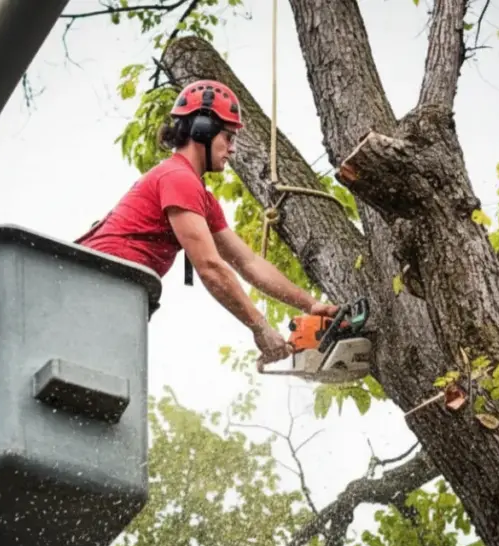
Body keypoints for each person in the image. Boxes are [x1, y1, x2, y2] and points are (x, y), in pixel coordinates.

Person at [76, 79, 340, 368]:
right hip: (91, 283)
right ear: (202, 130)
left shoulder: (199, 194)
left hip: (110, 288)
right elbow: (211, 267)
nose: (232, 149)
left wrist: (310, 304)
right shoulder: (178, 178)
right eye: (228, 137)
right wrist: (259, 326)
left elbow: (249, 262)